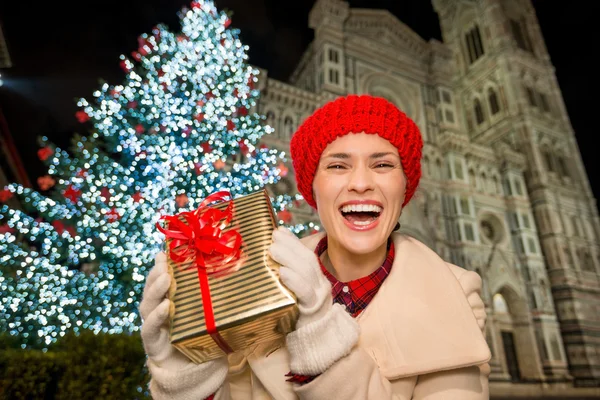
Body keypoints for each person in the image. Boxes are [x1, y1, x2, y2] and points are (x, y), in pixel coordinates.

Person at [139, 94, 492, 399]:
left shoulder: (456, 297)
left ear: (405, 186)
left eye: (383, 164)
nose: (360, 183)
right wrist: (184, 376)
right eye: (338, 165)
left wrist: (321, 334)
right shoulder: (251, 285)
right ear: (313, 189)